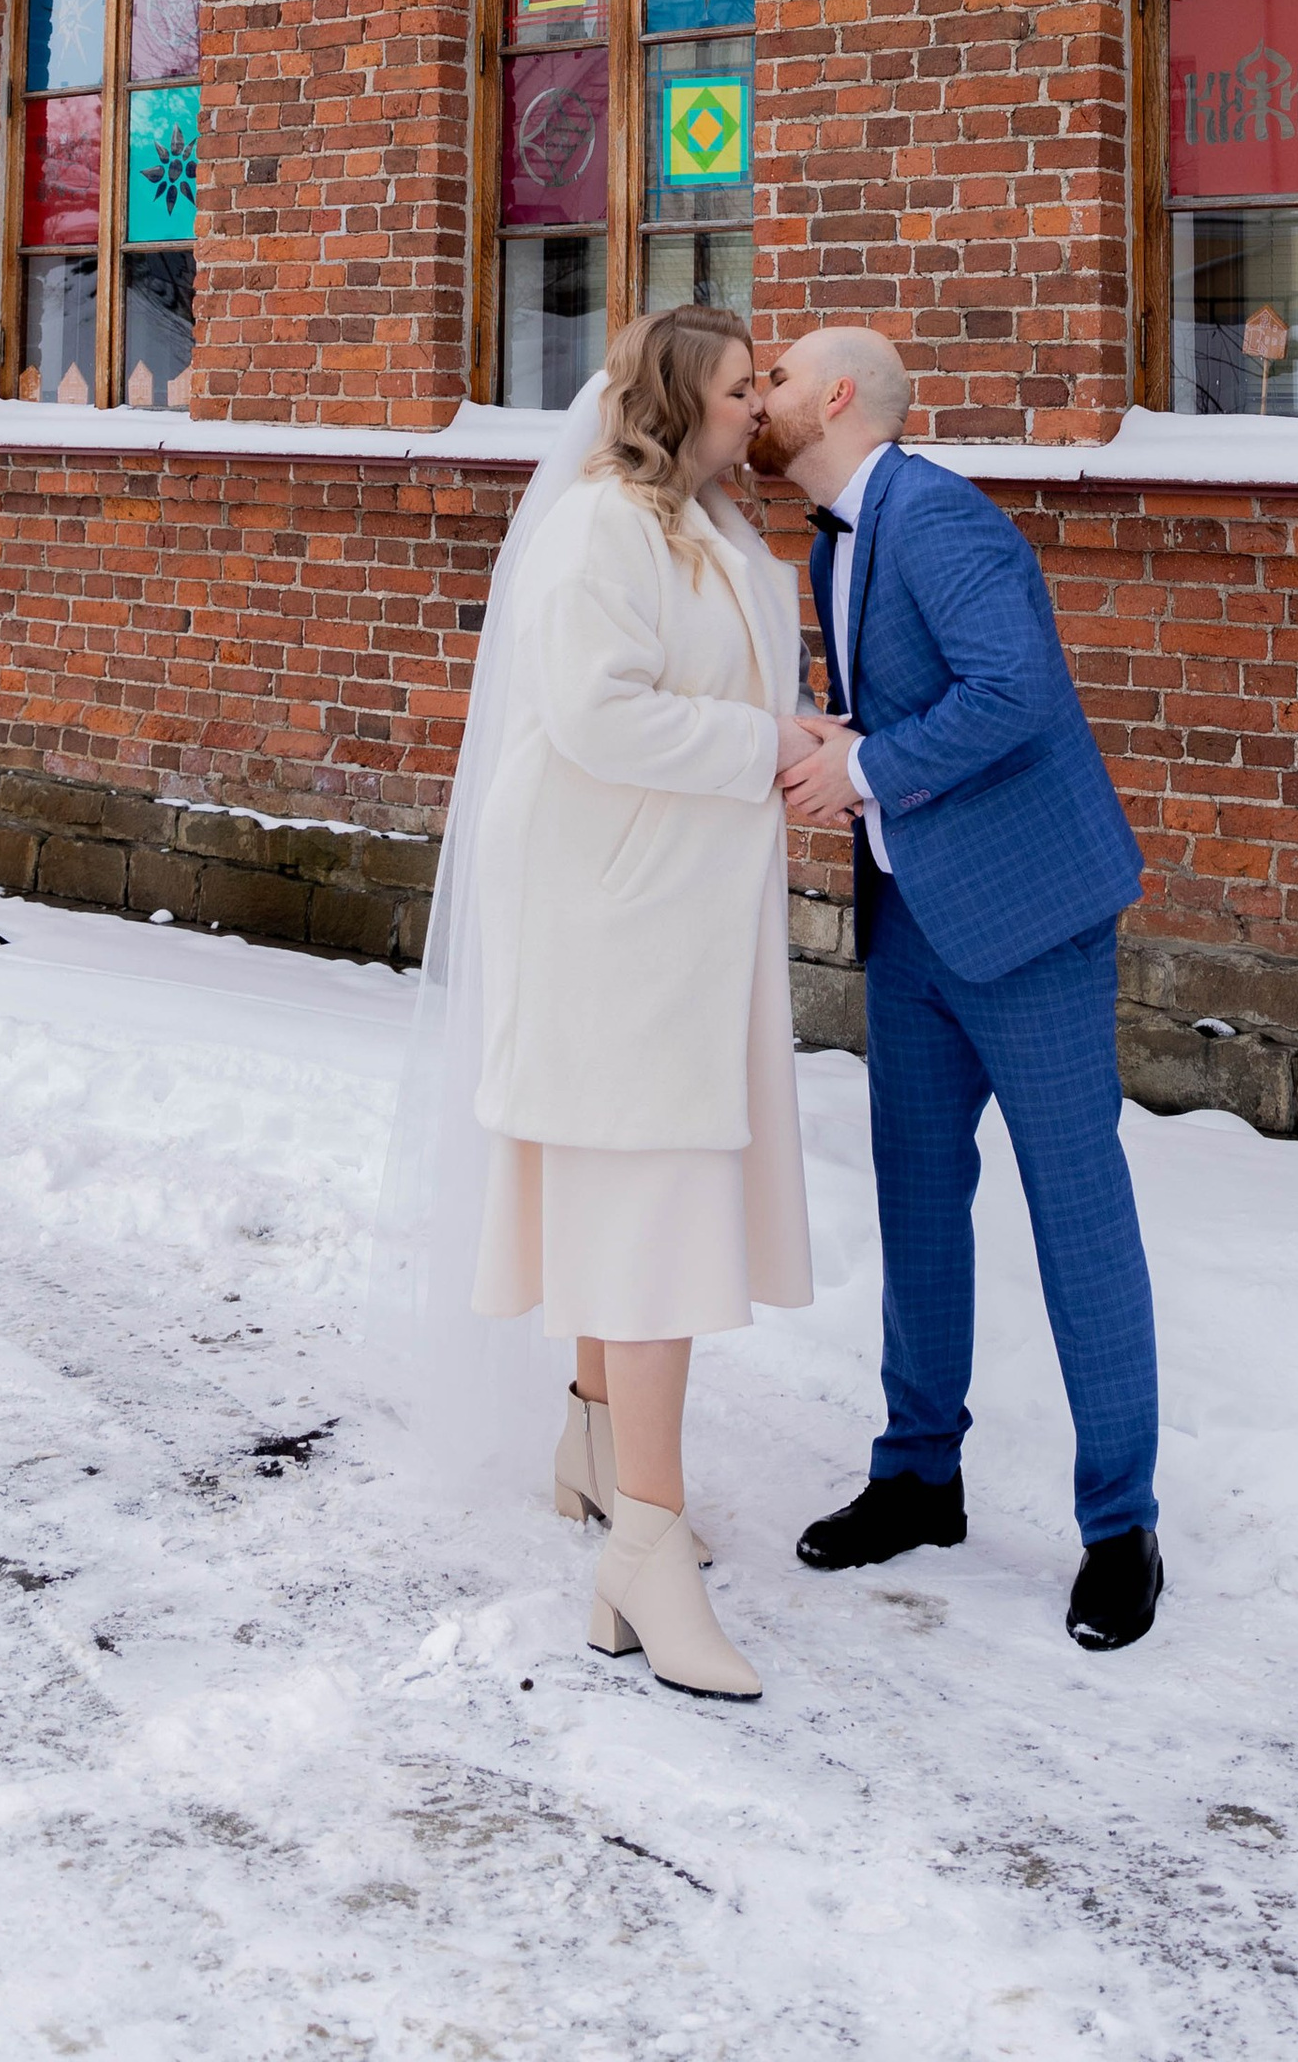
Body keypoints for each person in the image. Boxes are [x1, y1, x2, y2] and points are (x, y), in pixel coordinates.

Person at [378, 305, 816, 1701]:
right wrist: (768, 747)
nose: (766, 407)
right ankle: (646, 1541)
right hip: (614, 923)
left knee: (643, 1195)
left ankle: (591, 1436)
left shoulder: (715, 530)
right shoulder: (596, 531)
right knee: (655, 1219)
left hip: (680, 920)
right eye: (745, 388)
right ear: (681, 399)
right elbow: (599, 715)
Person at [757, 327, 1166, 1650]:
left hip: (1030, 919)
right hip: (913, 925)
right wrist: (838, 734)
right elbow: (906, 703)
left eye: (770, 383)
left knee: (1076, 1214)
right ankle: (919, 1477)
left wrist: (865, 770)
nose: (754, 402)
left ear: (834, 397)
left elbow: (1018, 694)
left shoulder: (939, 518)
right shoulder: (831, 536)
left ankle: (1120, 1530)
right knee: (920, 1208)